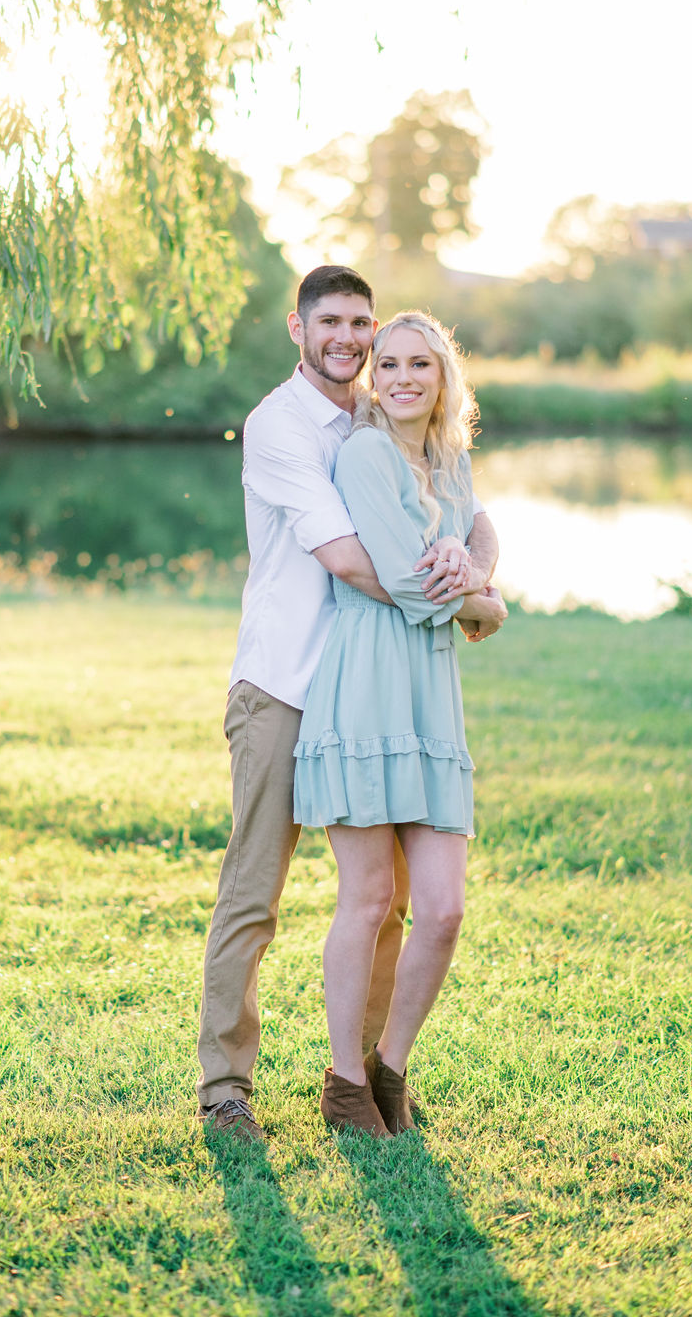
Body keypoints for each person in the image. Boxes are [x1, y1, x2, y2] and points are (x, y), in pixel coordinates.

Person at [196, 267, 500, 1140]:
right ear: (296, 327)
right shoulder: (280, 427)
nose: (350, 338)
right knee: (256, 891)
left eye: (360, 323)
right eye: (331, 321)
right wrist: (473, 603)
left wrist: (480, 558)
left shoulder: (382, 414)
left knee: (388, 902)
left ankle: (362, 1078)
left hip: (370, 691)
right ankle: (226, 1087)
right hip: (285, 685)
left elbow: (460, 503)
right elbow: (350, 559)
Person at [293, 310, 507, 1139]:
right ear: (372, 378)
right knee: (372, 895)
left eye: (422, 364)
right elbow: (415, 589)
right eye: (390, 365)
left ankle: (390, 1067)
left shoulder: (443, 459)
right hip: (366, 684)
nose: (405, 378)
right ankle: (345, 1084)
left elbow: (480, 524)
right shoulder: (369, 454)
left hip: (430, 695)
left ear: (444, 378)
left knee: (444, 909)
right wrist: (486, 604)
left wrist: (477, 563)